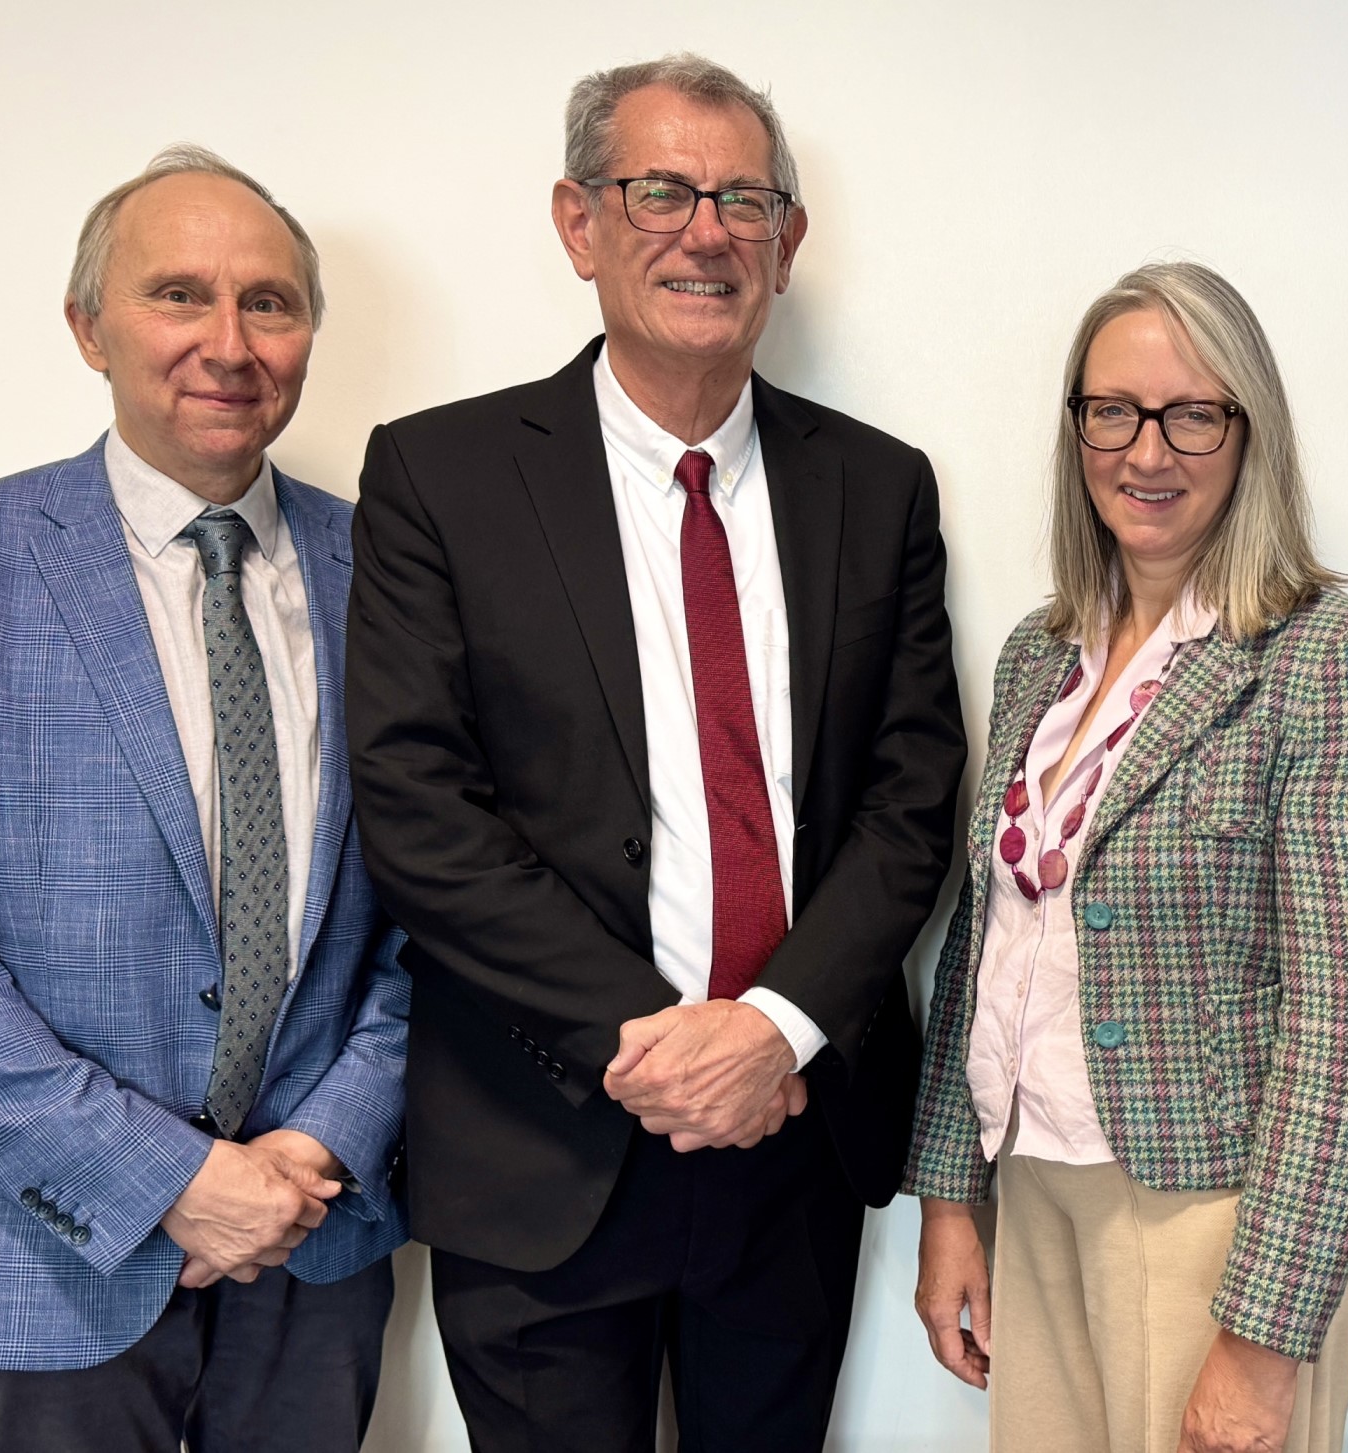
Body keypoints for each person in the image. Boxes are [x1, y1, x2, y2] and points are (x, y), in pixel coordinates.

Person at [345, 54, 965, 1452]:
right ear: (579, 224)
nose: (707, 231)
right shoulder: (440, 478)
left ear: (788, 242)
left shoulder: (879, 486)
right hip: (545, 1140)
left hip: (793, 1127)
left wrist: (774, 1026)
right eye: (661, 192)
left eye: (744, 198)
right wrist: (645, 1038)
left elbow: (911, 795)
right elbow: (417, 802)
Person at [0, 146, 407, 1453]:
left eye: (269, 302)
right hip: (43, 1246)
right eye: (179, 294)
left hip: (315, 1233)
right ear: (88, 327)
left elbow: (436, 912)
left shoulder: (396, 570)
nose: (228, 342)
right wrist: (169, 1182)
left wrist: (314, 1154)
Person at [903, 261, 1348, 1453]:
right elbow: (985, 937)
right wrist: (949, 1196)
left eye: (1193, 413)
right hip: (1035, 1183)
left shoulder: (1327, 657)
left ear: (1250, 432)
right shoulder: (1042, 656)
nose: (1148, 452)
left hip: (1221, 1212)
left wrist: (1263, 1334)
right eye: (1114, 411)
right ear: (1075, 428)